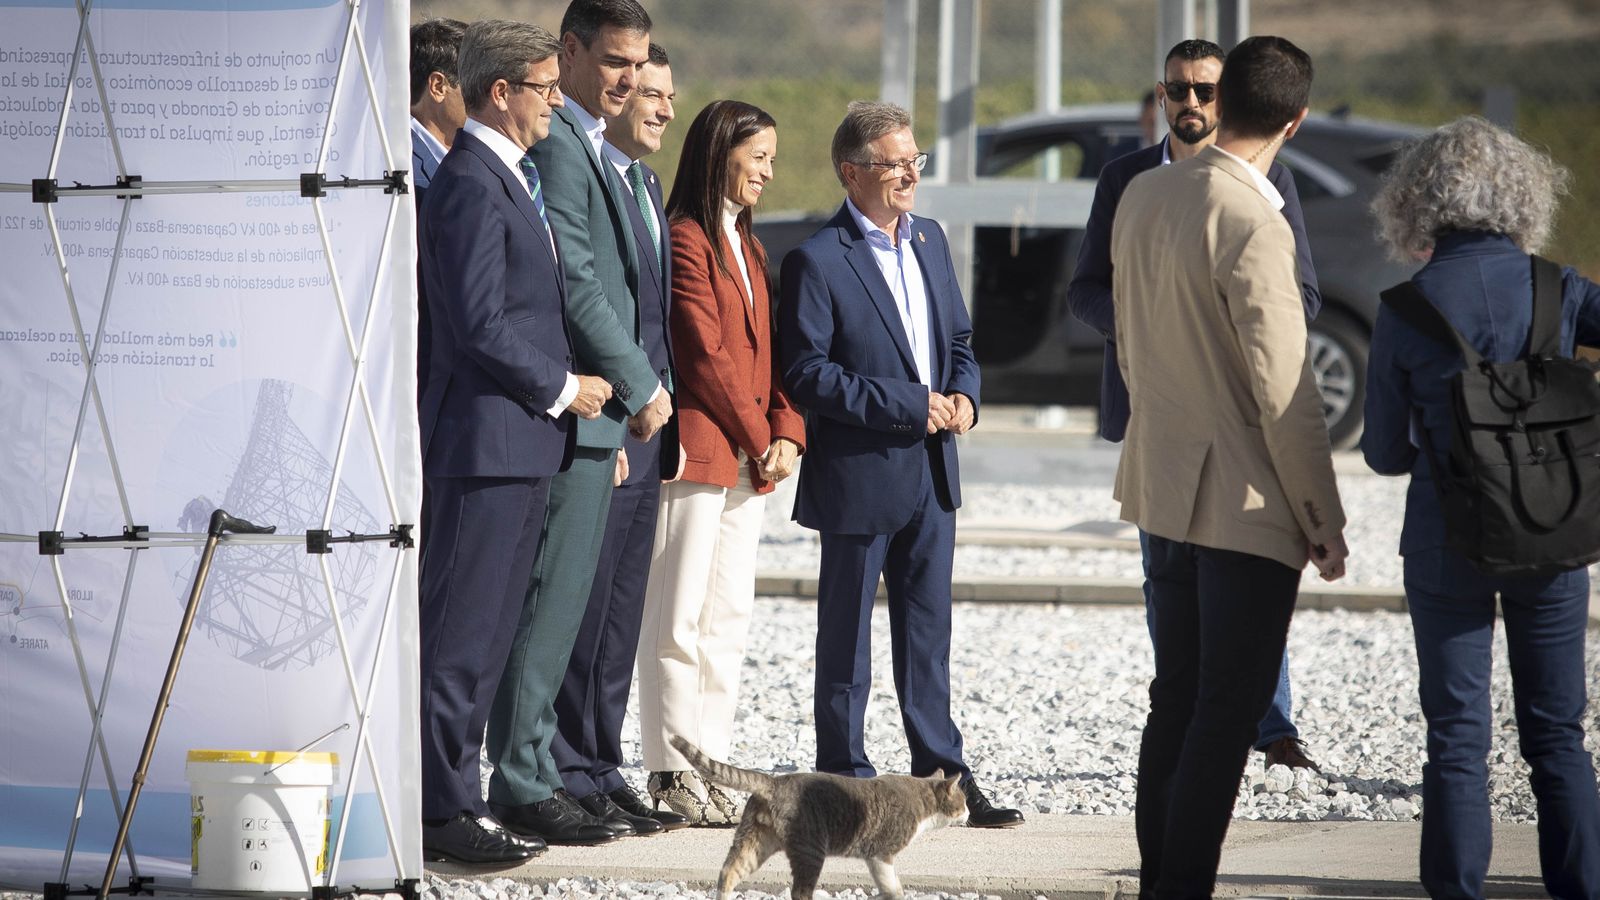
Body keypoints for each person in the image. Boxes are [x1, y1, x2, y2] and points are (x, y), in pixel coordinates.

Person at [1107, 36, 1348, 898]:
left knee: (1174, 697)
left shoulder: (1141, 192)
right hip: (1241, 503)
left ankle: (1158, 884)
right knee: (1224, 710)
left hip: (1159, 482)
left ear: (1224, 98)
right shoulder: (1255, 217)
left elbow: (1129, 346)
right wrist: (1324, 518)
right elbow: (1288, 394)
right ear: (1296, 119)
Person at [1066, 37, 1324, 772]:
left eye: (1205, 91)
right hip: (1155, 419)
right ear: (1160, 95)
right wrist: (1146, 318)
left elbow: (1300, 295)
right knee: (1170, 578)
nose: (1190, 103)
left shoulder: (1269, 181)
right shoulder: (1125, 180)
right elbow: (1085, 288)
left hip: (1241, 420)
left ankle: (1272, 727)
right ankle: (1179, 717)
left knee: (1252, 565)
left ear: (1229, 100)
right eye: (1177, 90)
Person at [1363, 116, 1600, 900]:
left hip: (1446, 536)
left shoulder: (1404, 307)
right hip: (1554, 525)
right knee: (1559, 736)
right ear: (1522, 194)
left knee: (1457, 738)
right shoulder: (1558, 288)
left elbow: (1385, 453)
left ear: (1418, 200)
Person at [777, 100, 1022, 829]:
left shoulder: (932, 241)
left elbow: (961, 342)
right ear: (852, 173)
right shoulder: (818, 259)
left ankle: (944, 780)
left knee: (928, 636)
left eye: (916, 159)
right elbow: (807, 374)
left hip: (933, 474)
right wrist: (911, 404)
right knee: (845, 644)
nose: (912, 172)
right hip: (859, 474)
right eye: (895, 162)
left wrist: (966, 401)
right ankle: (844, 785)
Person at [414, 18, 610, 866]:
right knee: (459, 634)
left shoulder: (509, 179)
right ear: (501, 92)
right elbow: (478, 322)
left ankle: (457, 795)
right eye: (546, 87)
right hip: (484, 443)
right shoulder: (466, 184)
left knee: (489, 633)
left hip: (520, 444)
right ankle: (437, 807)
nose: (557, 102)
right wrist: (565, 388)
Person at [485, 0, 669, 848]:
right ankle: (525, 778)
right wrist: (638, 384)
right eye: (615, 62)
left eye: (638, 65)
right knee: (548, 609)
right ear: (572, 50)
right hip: (578, 408)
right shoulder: (562, 144)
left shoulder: (597, 146)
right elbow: (579, 281)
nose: (630, 80)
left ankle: (551, 773)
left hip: (601, 423)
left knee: (569, 615)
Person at [635, 98, 805, 826]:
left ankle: (712, 764)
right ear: (720, 153)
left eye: (771, 156)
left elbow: (775, 356)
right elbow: (703, 354)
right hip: (705, 451)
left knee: (728, 617)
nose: (769, 168)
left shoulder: (751, 245)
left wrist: (788, 430)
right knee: (676, 618)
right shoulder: (687, 237)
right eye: (758, 154)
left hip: (750, 457)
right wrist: (757, 432)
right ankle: (672, 771)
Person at [549, 41, 688, 836]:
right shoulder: (584, 167)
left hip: (647, 425)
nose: (657, 103)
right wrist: (630, 403)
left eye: (664, 92)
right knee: (583, 605)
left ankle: (601, 764)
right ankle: (568, 766)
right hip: (611, 423)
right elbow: (584, 297)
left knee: (620, 615)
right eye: (645, 89)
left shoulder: (643, 183)